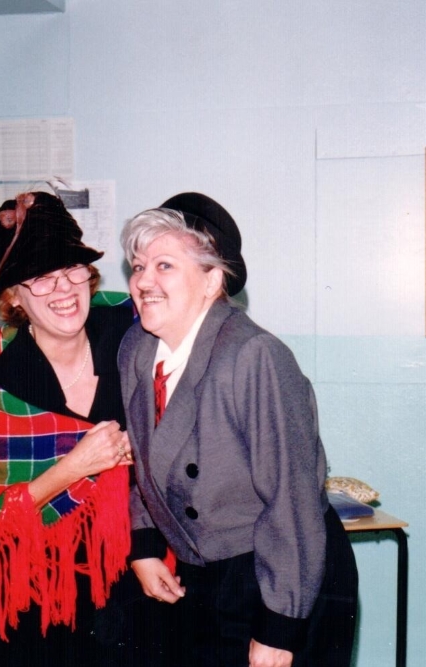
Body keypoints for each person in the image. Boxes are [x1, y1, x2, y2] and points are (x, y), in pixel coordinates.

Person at [118, 193, 358, 667]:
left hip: (281, 577)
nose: (143, 281)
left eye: (164, 266)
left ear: (212, 281)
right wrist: (144, 546)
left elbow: (292, 501)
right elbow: (140, 459)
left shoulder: (253, 357)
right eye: (138, 265)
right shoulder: (137, 349)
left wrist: (279, 630)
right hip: (201, 574)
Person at [0, 192, 140, 666]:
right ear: (13, 296)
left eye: (71, 269)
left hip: (135, 575)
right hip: (37, 590)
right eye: (40, 278)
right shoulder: (4, 370)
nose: (63, 289)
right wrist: (78, 466)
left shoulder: (131, 327)